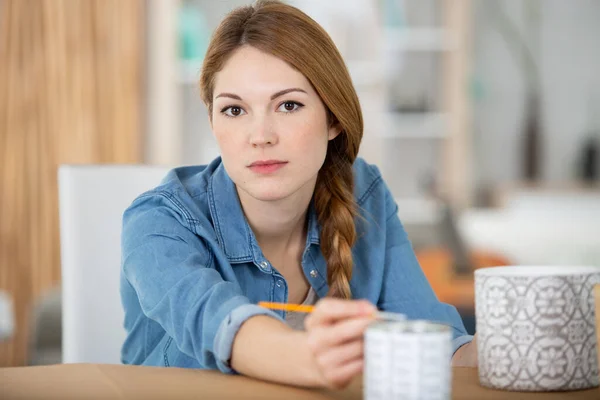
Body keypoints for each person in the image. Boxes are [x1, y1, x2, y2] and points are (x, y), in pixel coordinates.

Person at [120, 0, 477, 390]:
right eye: (234, 111)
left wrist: (509, 350)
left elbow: (435, 341)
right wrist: (310, 355)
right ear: (212, 121)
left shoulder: (364, 194)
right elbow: (220, 324)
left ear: (334, 118)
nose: (260, 136)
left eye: (288, 105)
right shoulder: (157, 221)